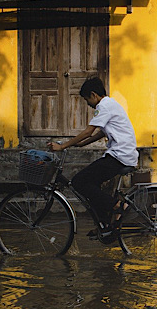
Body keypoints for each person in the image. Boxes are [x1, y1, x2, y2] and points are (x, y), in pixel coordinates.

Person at [47, 77, 138, 237]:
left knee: (78, 181)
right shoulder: (111, 104)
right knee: (92, 186)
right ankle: (105, 225)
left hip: (119, 155)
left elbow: (89, 131)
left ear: (94, 95)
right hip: (123, 154)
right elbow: (101, 132)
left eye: (87, 99)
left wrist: (63, 146)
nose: (88, 103)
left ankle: (118, 206)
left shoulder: (103, 106)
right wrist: (82, 144)